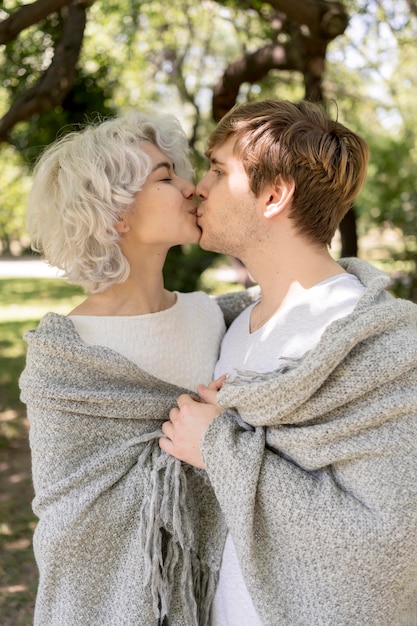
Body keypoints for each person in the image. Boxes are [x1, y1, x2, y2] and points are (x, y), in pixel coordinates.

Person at [159, 99, 417, 626]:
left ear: (274, 195)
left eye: (217, 170)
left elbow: (395, 541)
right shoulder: (233, 328)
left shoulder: (377, 343)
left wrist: (218, 445)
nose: (197, 188)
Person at [19, 111, 257, 626]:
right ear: (116, 214)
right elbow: (74, 518)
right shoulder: (66, 353)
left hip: (207, 595)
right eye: (165, 177)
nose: (192, 187)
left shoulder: (212, 316)